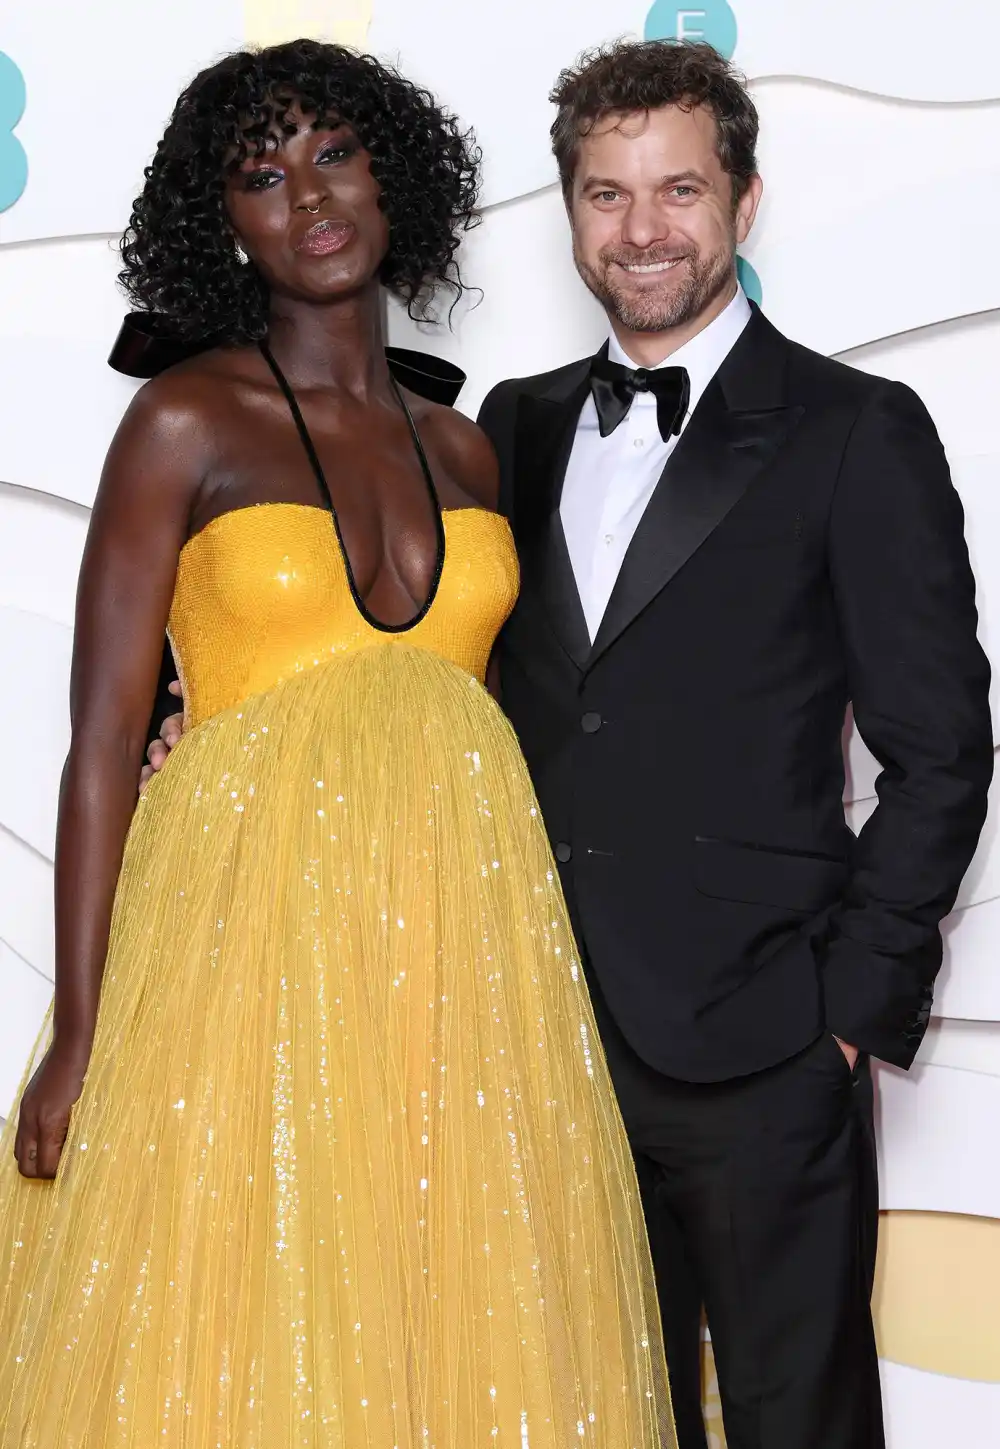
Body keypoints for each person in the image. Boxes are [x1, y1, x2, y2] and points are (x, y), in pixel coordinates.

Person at [0, 40, 675, 1449]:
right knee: (239, 1306)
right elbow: (99, 739)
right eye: (260, 174)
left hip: (458, 957)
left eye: (334, 155)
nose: (307, 197)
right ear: (221, 222)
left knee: (447, 1299)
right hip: (237, 947)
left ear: (394, 179)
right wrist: (76, 1026)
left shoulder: (471, 449)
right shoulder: (182, 421)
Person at [475, 39, 992, 1449]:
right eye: (606, 194)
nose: (643, 231)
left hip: (765, 1046)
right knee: (588, 1416)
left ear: (744, 203)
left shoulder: (854, 429)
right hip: (542, 1034)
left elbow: (943, 746)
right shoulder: (506, 430)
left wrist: (840, 1017)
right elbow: (441, 682)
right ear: (569, 210)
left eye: (679, 189)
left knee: (795, 1424)